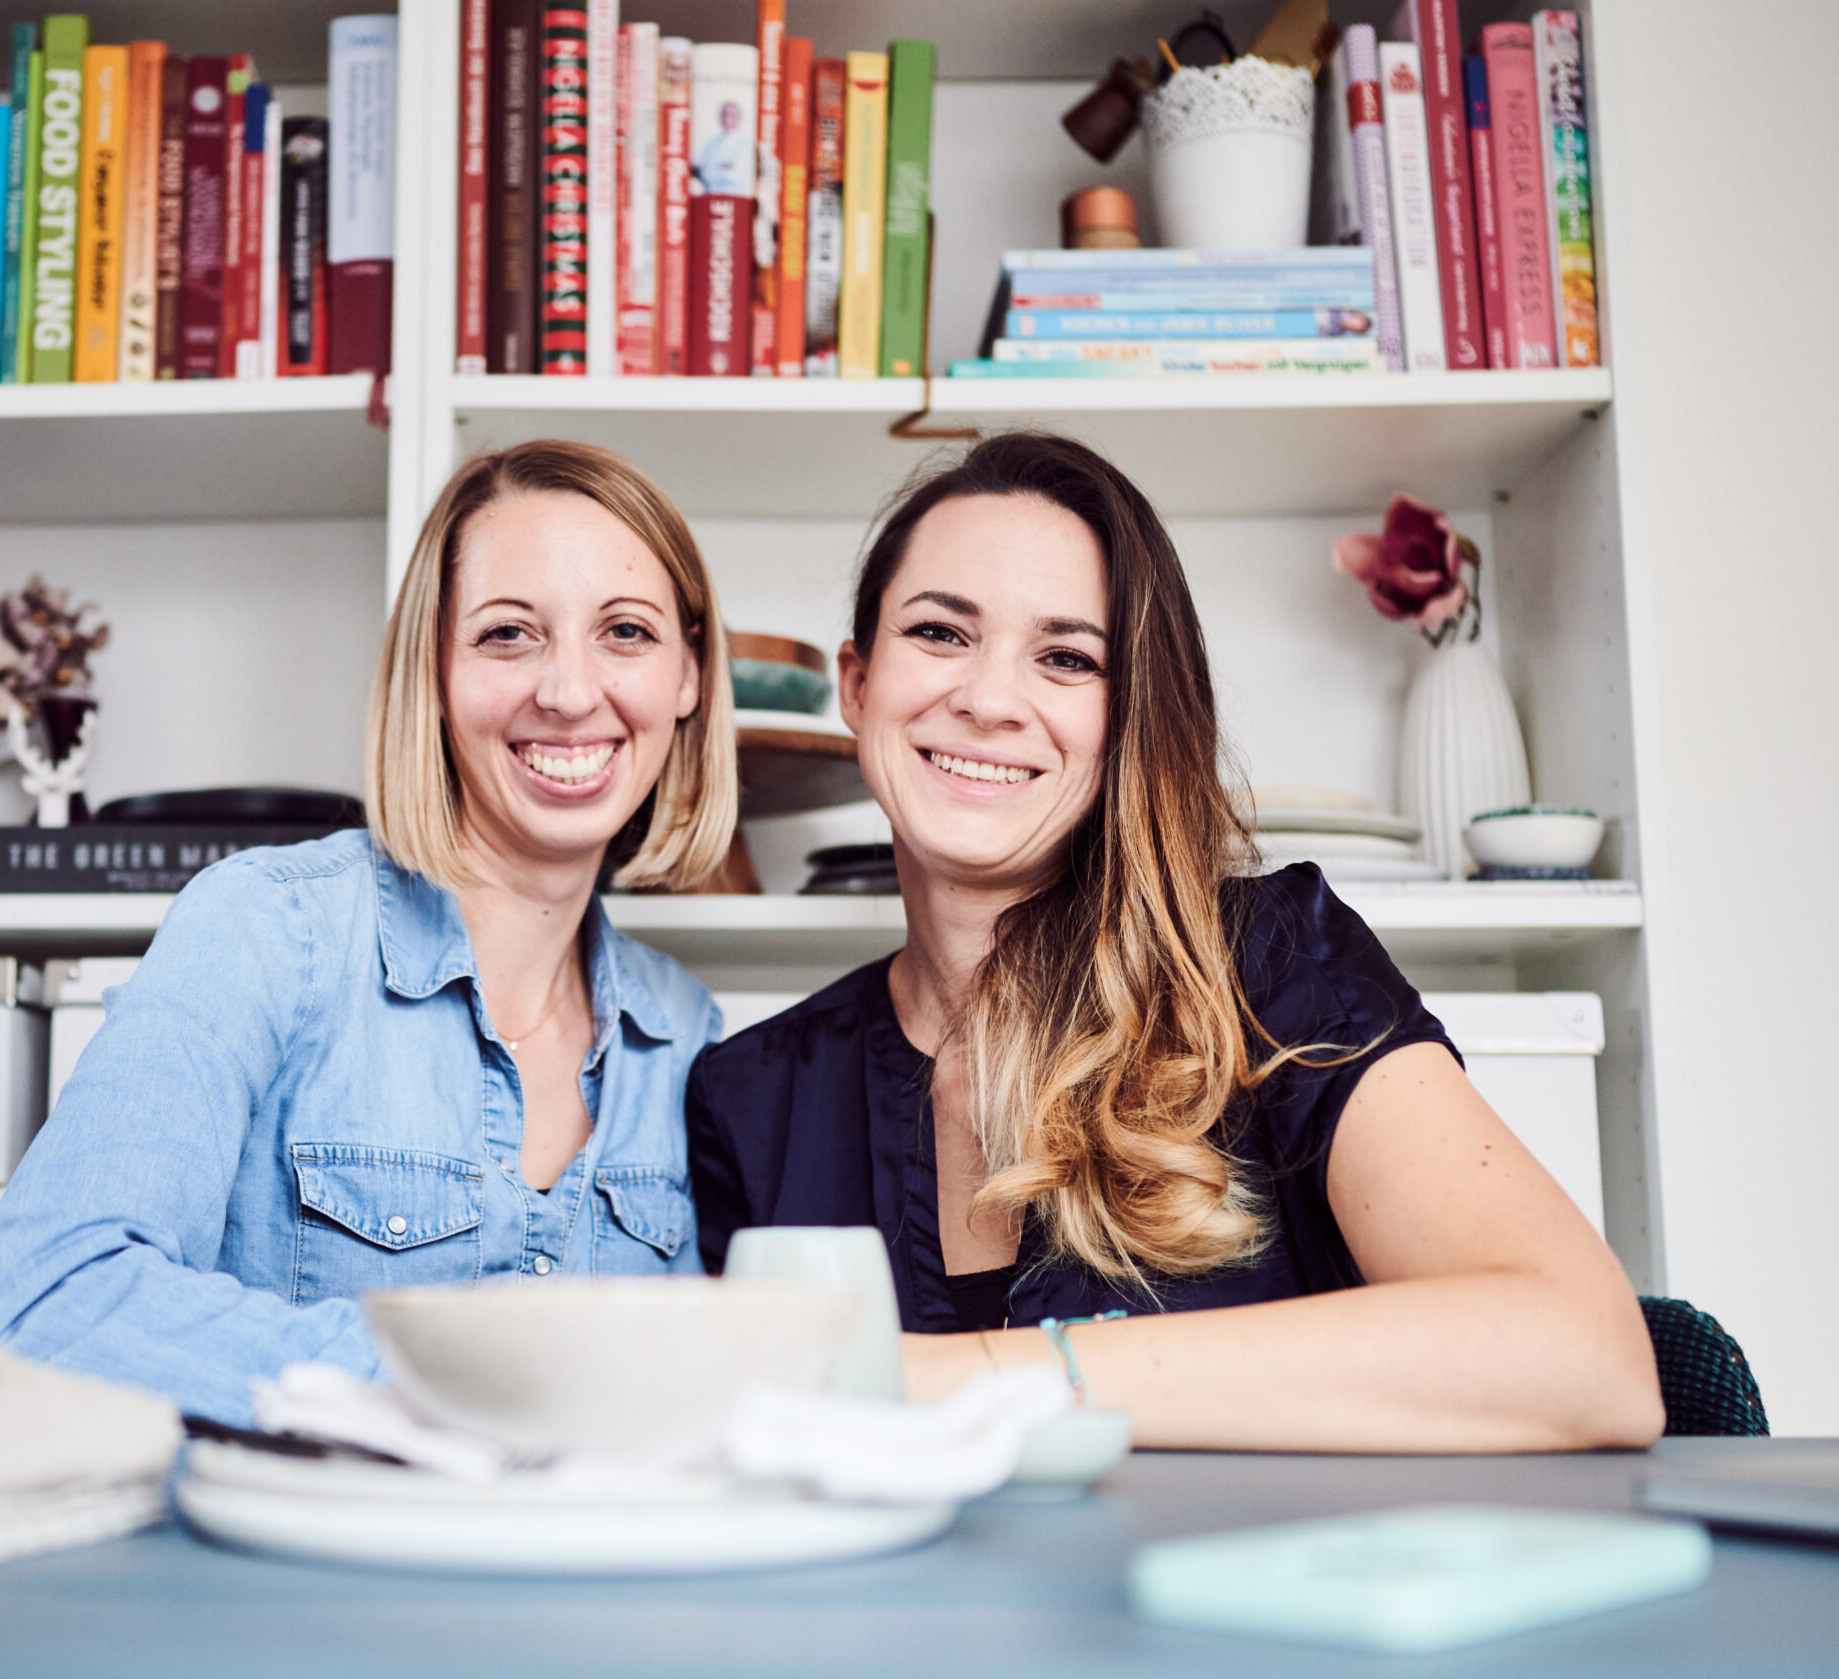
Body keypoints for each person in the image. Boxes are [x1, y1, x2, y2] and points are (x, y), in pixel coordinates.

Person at [687, 431, 1663, 1453]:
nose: (985, 698)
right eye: (939, 633)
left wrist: (951, 1379)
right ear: (855, 683)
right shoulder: (749, 1096)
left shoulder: (1276, 970)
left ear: (1128, 718)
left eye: (1065, 657)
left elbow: (1589, 1358)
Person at [0, 440, 735, 1423]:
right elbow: (46, 1299)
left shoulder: (685, 1031)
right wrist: (463, 1385)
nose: (568, 691)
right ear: (433, 667)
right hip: (286, 1571)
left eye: (625, 631)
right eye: (508, 635)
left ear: (689, 675)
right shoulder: (268, 932)